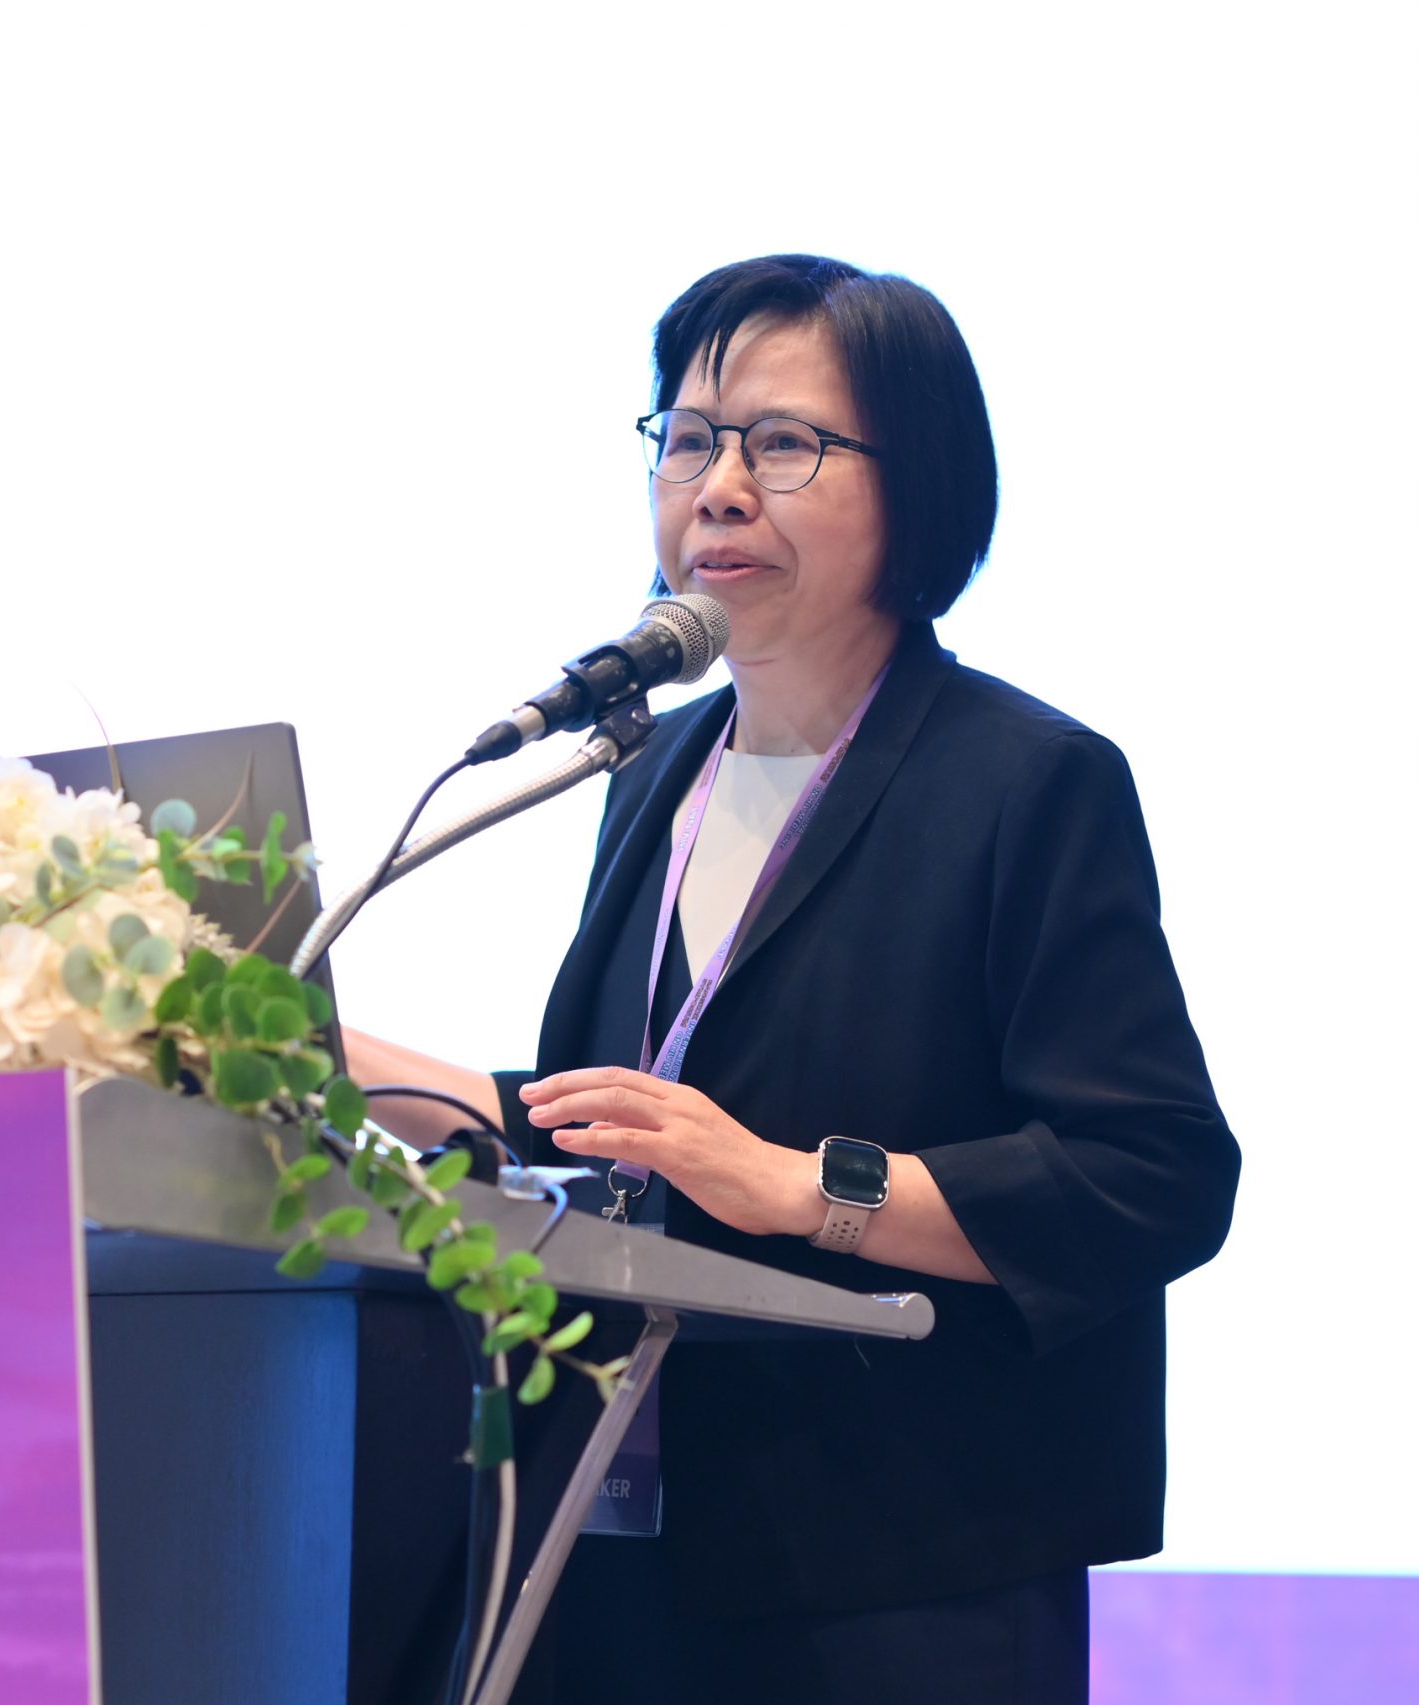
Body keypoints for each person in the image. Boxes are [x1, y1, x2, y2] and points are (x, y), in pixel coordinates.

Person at [344, 253, 1239, 1704]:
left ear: (917, 485)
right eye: (689, 440)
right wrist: (315, 1053)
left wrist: (804, 1185)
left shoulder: (1025, 780)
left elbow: (1153, 1175)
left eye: (781, 444)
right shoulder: (653, 774)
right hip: (628, 1544)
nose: (718, 490)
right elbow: (611, 1123)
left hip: (901, 1580)